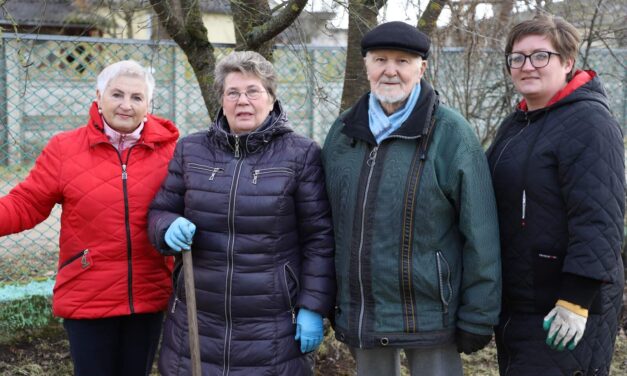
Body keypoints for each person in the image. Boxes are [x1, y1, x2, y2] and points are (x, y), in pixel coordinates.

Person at [321, 21, 501, 376]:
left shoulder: (452, 133)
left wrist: (478, 315)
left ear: (422, 68)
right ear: (367, 66)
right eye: (380, 60)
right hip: (364, 309)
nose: (391, 71)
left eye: (403, 61)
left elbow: (481, 233)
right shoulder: (344, 132)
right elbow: (326, 223)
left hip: (432, 311)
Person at [147, 50, 335, 376]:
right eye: (232, 92)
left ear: (272, 99)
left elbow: (319, 237)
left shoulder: (301, 154)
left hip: (272, 325)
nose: (242, 100)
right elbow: (160, 210)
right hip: (197, 319)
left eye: (253, 91)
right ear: (221, 99)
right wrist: (166, 227)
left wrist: (313, 306)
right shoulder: (191, 150)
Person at [0, 60, 179, 375]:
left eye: (137, 98)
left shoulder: (172, 151)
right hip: (87, 293)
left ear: (149, 104)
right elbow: (26, 203)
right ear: (99, 96)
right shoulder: (64, 148)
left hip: (148, 293)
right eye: (117, 94)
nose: (126, 105)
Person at [487, 14, 625, 375]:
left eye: (540, 56)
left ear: (567, 61)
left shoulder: (590, 123)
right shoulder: (518, 124)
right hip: (519, 302)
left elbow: (599, 219)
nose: (526, 66)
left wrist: (576, 299)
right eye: (517, 57)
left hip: (562, 307)